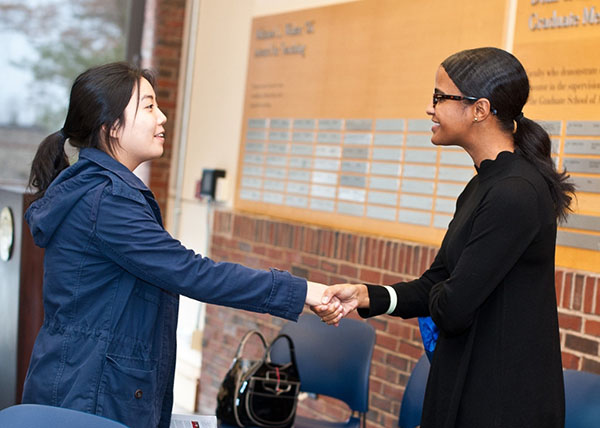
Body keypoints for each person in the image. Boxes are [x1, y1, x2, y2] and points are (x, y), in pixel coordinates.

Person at [22, 62, 340, 428]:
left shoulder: (97, 190)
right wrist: (303, 292)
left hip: (86, 381)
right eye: (148, 106)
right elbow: (192, 273)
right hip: (92, 392)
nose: (163, 117)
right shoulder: (106, 201)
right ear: (111, 127)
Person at [313, 47, 574, 428]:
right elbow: (440, 284)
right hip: (469, 386)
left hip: (502, 404)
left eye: (439, 97)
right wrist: (366, 295)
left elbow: (453, 306)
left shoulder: (514, 192)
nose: (430, 108)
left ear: (479, 109)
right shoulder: (484, 184)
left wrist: (444, 292)